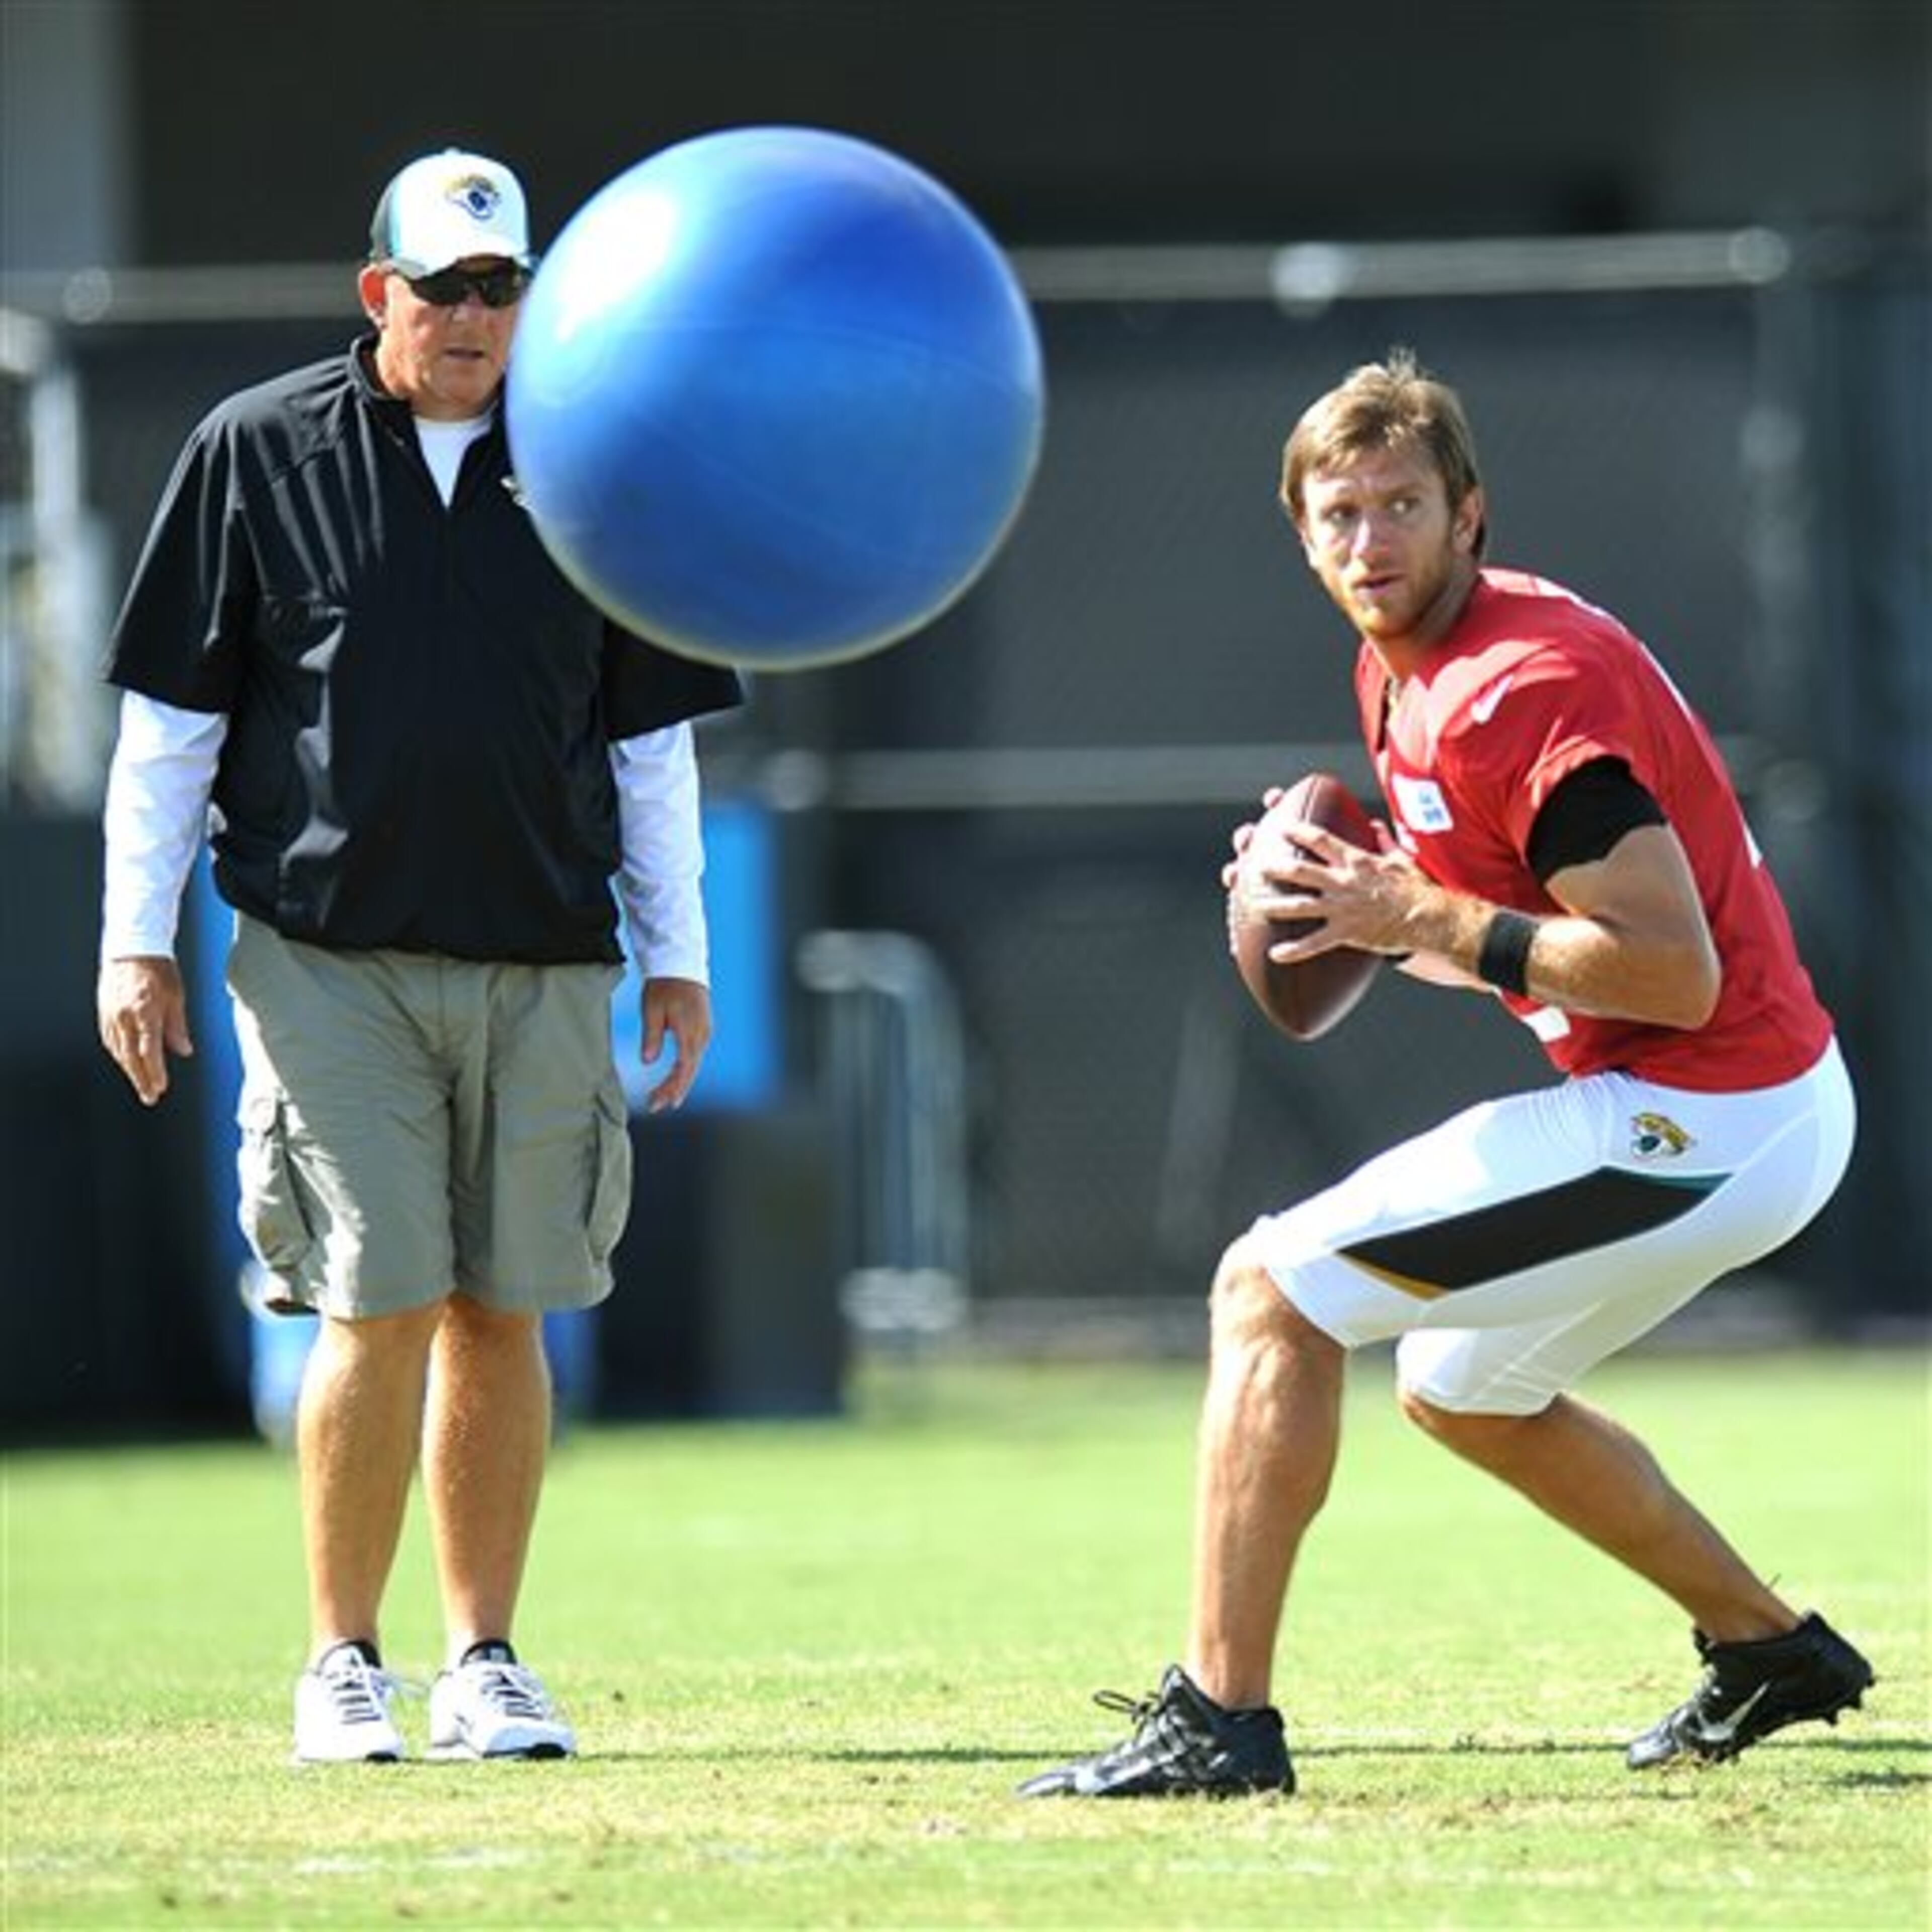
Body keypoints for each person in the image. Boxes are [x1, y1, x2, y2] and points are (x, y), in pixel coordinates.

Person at [1020, 349, 1873, 1798]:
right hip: (1746, 1110)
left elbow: (1673, 974)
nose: (1371, 543)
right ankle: (1768, 1646)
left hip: (1706, 1112)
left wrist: (1410, 912)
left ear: (1470, 514)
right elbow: (1503, 928)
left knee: (1269, 1291)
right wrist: (1358, 905)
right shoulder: (1408, 665)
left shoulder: (1515, 685)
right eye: (1338, 515)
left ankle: (1219, 1720)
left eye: (1401, 505)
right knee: (1463, 1386)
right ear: (1301, 535)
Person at [95, 148, 743, 1764]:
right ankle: (342, 1661)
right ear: (375, 289)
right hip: (329, 955)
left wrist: (679, 952)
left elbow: (652, 740)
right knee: (378, 1298)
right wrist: (134, 942)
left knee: (507, 1307)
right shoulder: (252, 449)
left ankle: (486, 1659)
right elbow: (170, 729)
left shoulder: (598, 456)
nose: (472, 315)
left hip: (543, 948)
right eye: (442, 285)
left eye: (500, 286)